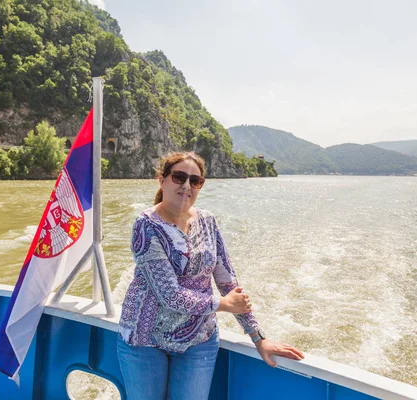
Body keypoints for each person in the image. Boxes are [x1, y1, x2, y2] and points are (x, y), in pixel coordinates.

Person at [117, 151, 304, 400]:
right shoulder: (146, 225)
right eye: (178, 177)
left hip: (199, 339)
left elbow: (228, 282)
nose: (186, 186)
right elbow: (169, 295)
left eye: (195, 181)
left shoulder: (208, 221)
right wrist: (222, 305)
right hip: (144, 339)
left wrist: (258, 337)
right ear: (161, 180)